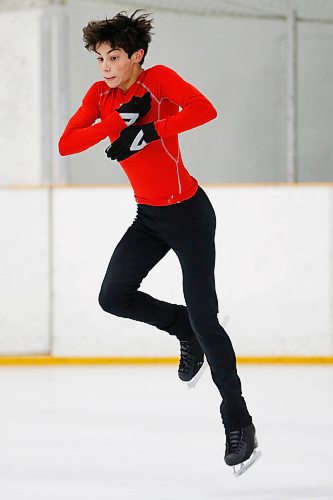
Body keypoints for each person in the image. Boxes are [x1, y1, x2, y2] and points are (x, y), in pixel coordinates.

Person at [58, 10, 259, 474]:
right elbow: (67, 144)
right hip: (148, 217)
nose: (105, 66)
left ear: (136, 56)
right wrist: (115, 126)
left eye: (114, 57)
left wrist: (151, 128)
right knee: (113, 296)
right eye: (99, 58)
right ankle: (181, 328)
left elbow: (205, 110)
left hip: (188, 214)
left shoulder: (160, 80)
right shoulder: (101, 95)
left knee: (208, 317)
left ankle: (239, 420)